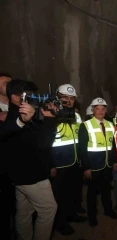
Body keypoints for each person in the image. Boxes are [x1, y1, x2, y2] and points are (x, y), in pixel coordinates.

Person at [2, 79, 58, 240]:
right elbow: (42, 144)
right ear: (15, 97)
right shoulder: (20, 118)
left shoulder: (15, 116)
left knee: (24, 212)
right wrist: (49, 119)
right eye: (29, 95)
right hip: (32, 176)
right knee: (48, 209)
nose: (34, 99)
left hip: (18, 177)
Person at [51, 84, 87, 235]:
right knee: (58, 195)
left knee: (72, 191)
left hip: (74, 161)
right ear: (57, 97)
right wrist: (51, 165)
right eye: (65, 97)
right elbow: (46, 142)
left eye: (72, 98)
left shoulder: (77, 116)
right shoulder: (50, 114)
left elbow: (79, 139)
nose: (69, 101)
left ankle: (72, 215)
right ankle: (60, 223)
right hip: (58, 163)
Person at [78, 97, 117, 227]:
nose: (100, 111)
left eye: (102, 109)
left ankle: (108, 210)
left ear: (106, 110)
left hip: (107, 164)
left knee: (106, 190)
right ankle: (92, 216)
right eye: (97, 109)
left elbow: (113, 145)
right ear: (92, 110)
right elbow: (82, 148)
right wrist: (86, 167)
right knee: (92, 193)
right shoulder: (86, 125)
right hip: (93, 166)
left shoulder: (110, 124)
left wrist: (115, 160)